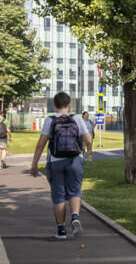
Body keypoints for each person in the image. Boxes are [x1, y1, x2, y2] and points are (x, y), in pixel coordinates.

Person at [29, 91, 93, 240]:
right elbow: (88, 139)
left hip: (56, 161)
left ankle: (61, 231)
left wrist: (34, 165)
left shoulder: (50, 120)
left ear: (55, 105)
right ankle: (75, 217)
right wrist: (83, 149)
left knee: (59, 196)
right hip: (75, 160)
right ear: (69, 105)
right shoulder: (77, 119)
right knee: (75, 191)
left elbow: (40, 144)